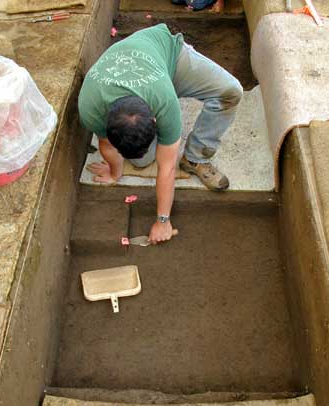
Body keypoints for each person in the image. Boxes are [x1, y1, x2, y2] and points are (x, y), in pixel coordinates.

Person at [78, 23, 242, 244]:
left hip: (167, 55)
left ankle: (195, 158)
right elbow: (106, 144)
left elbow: (167, 166)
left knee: (231, 91)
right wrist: (114, 172)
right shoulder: (90, 108)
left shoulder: (165, 103)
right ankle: (143, 151)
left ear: (155, 119)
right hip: (140, 70)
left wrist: (163, 221)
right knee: (143, 160)